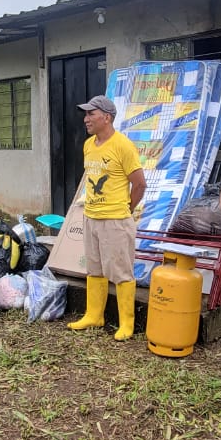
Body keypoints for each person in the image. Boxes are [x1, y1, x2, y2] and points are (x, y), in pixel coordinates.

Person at [66, 94, 146, 340]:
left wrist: (126, 210)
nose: (86, 118)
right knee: (94, 269)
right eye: (85, 114)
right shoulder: (89, 145)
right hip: (91, 216)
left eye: (91, 113)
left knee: (121, 272)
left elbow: (140, 184)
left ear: (107, 117)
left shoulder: (123, 146)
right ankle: (94, 315)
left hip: (115, 220)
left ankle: (126, 324)